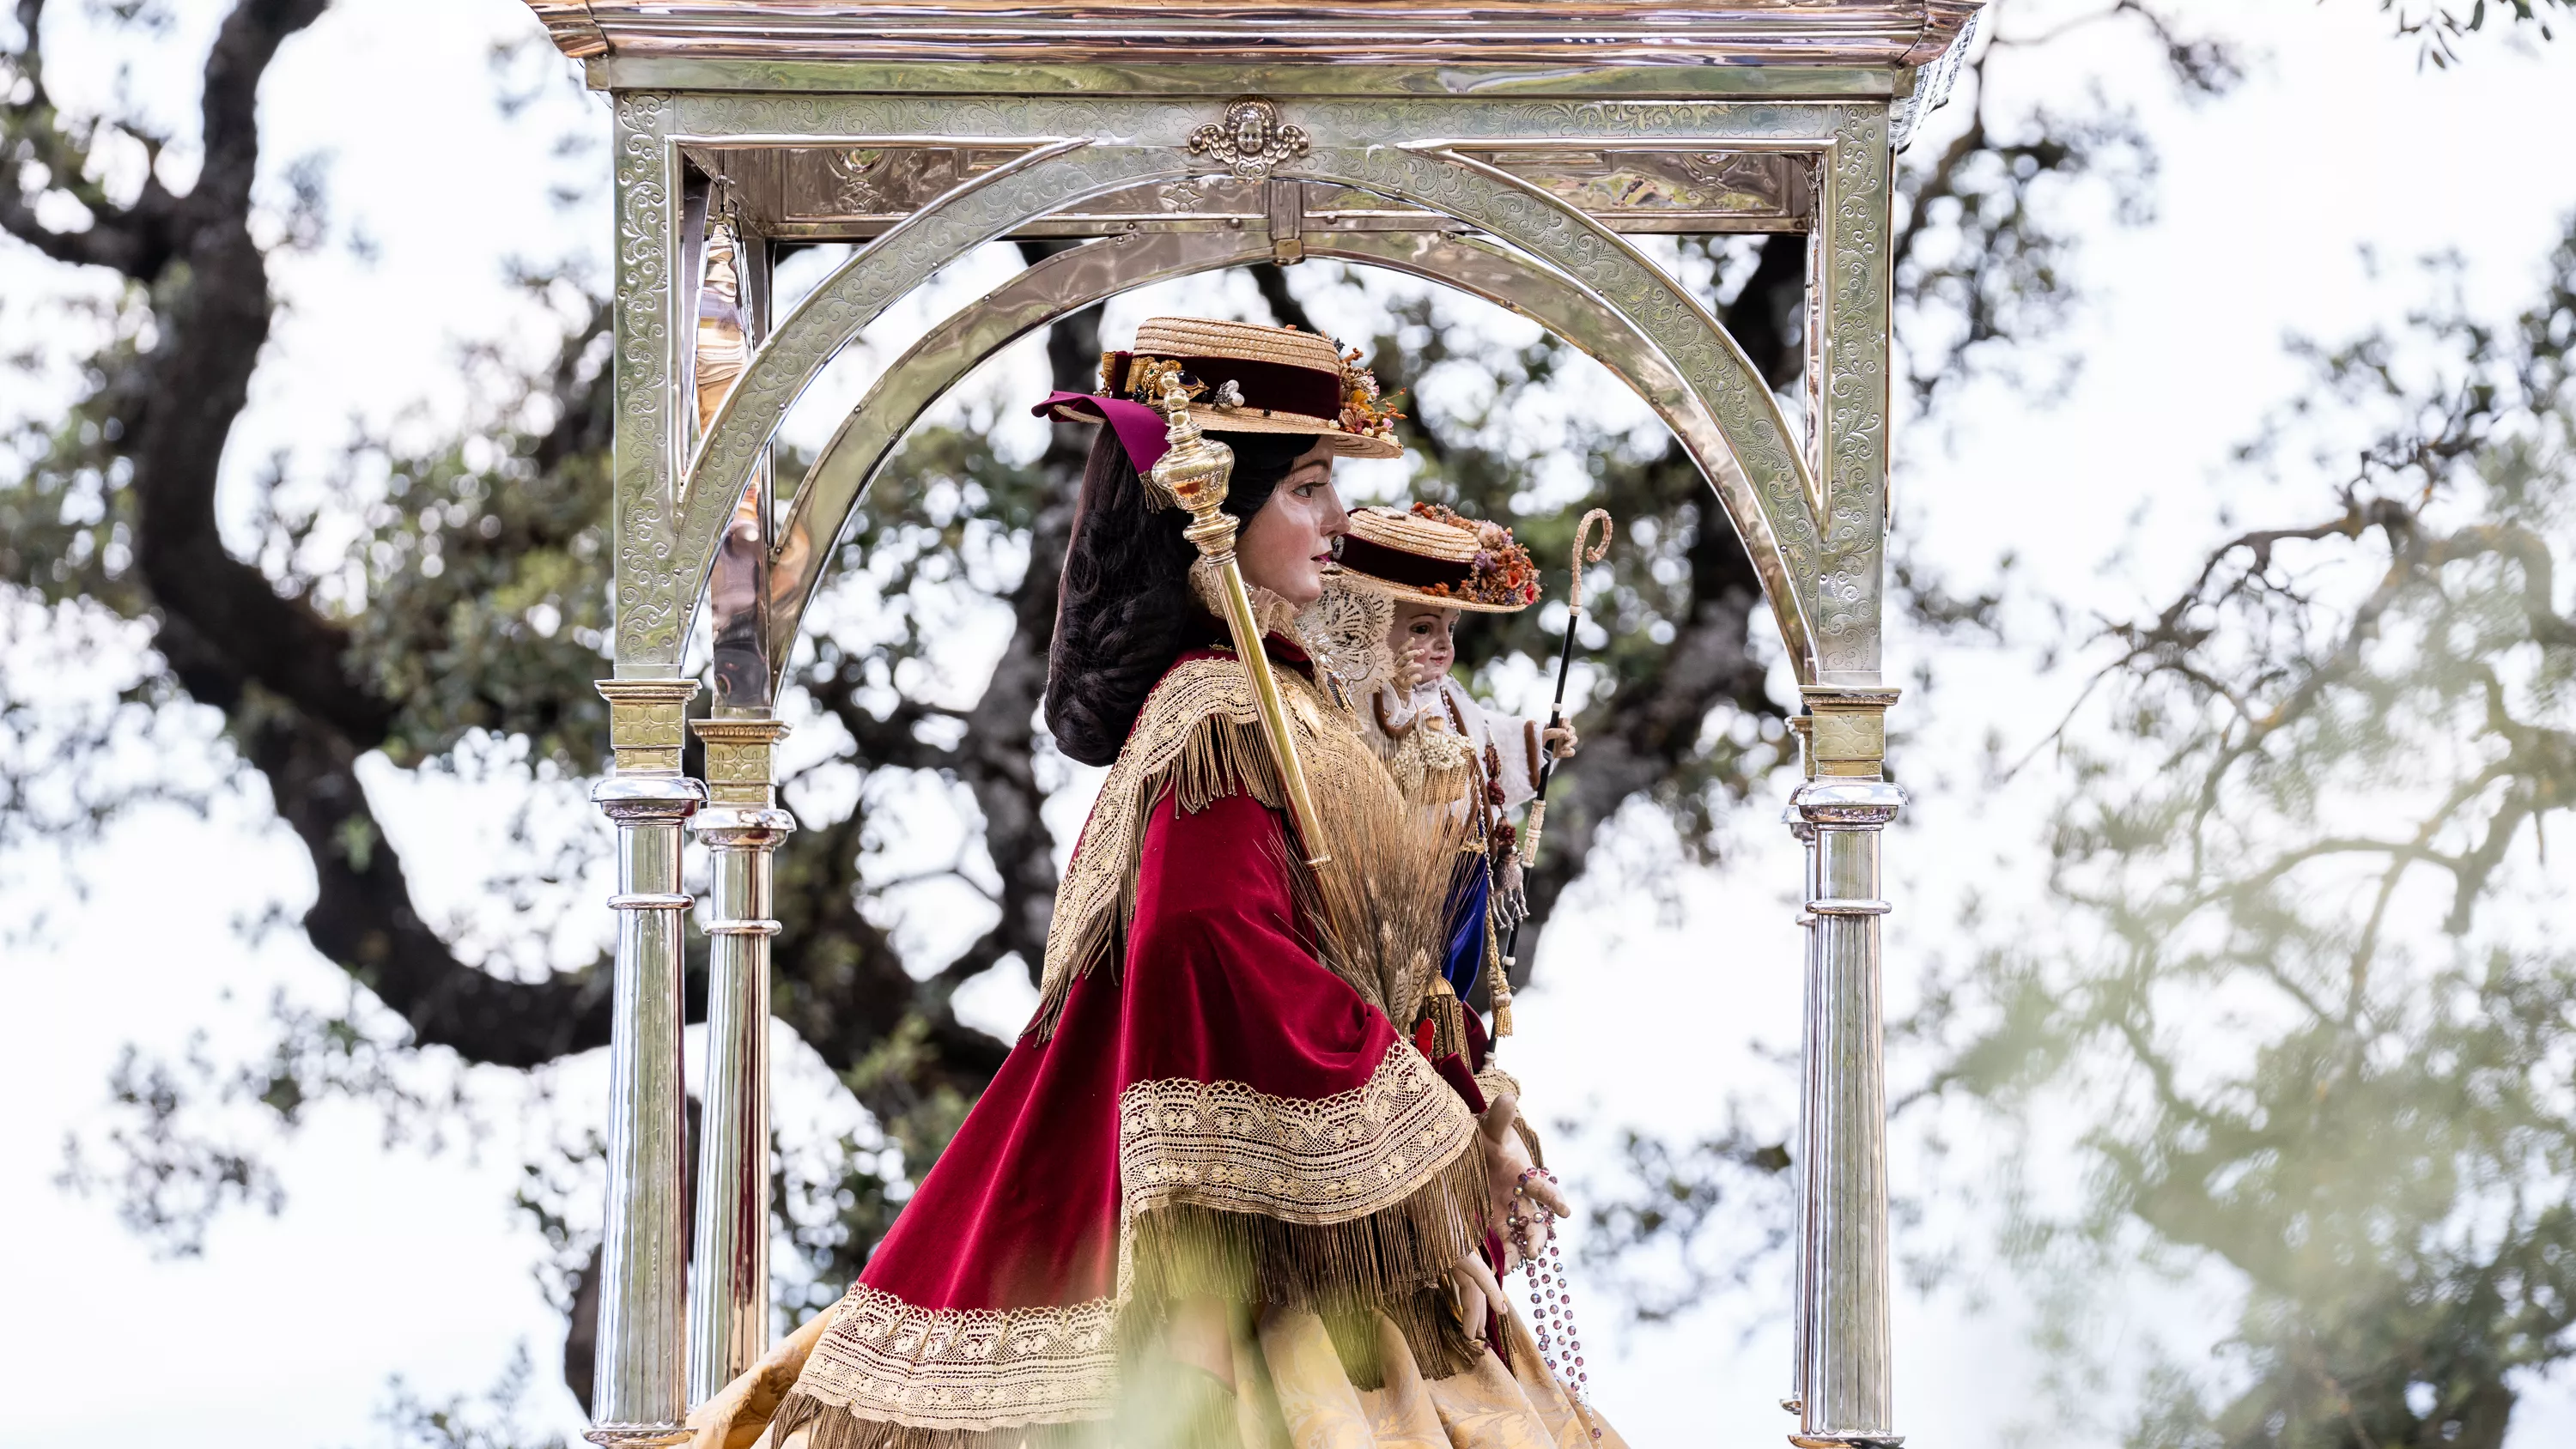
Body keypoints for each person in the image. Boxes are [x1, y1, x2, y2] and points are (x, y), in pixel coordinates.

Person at [687, 318, 1619, 1449]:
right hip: (1261, 1285)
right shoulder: (1221, 711)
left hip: (1332, 1243)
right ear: (1213, 508)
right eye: (1311, 488)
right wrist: (1428, 1123)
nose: (1337, 522)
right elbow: (1204, 939)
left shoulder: (1286, 702)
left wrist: (1479, 1111)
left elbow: (1366, 964)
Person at [1305, 504, 1578, 1028]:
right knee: (1402, 984)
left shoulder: (1449, 696)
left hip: (1464, 864)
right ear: (1369, 622)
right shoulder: (1364, 693)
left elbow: (1482, 740)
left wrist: (1536, 743)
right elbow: (1374, 753)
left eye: (1448, 629)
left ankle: (1444, 1054)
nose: (1442, 646)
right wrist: (1401, 704)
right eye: (1423, 627)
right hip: (1398, 874)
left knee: (1452, 975)